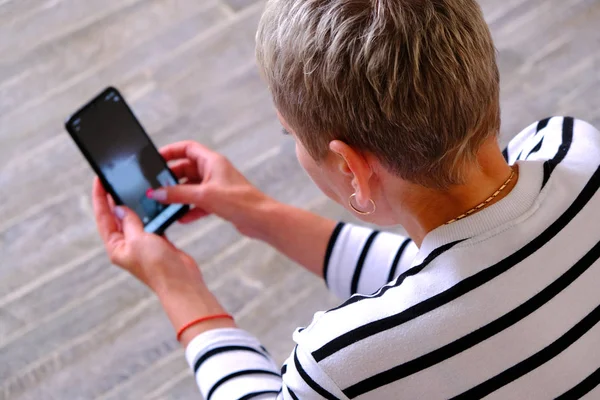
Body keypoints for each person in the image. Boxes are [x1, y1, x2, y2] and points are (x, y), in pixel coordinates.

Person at [91, 0, 600, 398]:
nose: (291, 143)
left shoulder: (342, 363)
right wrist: (257, 212)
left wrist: (179, 289)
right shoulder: (574, 150)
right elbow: (475, 267)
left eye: (288, 134)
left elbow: (447, 290)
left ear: (350, 167)